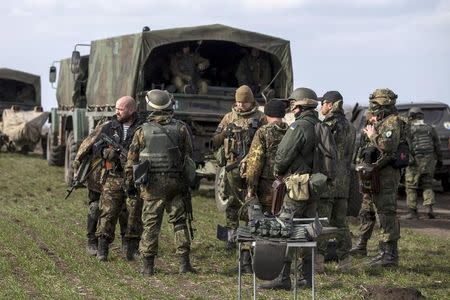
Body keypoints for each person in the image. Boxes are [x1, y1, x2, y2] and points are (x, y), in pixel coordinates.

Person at [125, 89, 196, 276]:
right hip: (175, 184)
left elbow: (131, 160)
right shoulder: (181, 128)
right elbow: (188, 156)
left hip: (151, 187)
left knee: (150, 225)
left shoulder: (142, 131)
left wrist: (130, 184)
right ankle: (184, 264)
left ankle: (148, 267)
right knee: (179, 222)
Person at [259, 87, 319, 290]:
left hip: (296, 186)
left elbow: (283, 155)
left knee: (286, 228)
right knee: (308, 230)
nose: (291, 107)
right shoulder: (320, 125)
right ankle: (306, 278)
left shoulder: (299, 127)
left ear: (299, 105)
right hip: (315, 185)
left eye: (293, 103)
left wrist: (277, 170)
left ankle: (283, 278)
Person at [212, 85, 266, 252]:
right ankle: (231, 238)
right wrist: (225, 134)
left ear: (251, 102)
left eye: (244, 102)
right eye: (238, 102)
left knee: (252, 203)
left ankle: (249, 238)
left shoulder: (261, 118)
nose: (241, 105)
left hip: (253, 168)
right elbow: (214, 141)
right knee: (232, 204)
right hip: (232, 167)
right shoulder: (229, 117)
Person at [355, 88, 403, 267]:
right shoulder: (382, 120)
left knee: (386, 213)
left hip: (387, 174)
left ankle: (389, 255)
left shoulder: (392, 121)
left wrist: (372, 134)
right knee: (370, 209)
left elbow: (388, 147)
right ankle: (382, 252)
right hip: (375, 173)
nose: (372, 107)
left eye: (375, 103)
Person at [94, 96, 144, 262]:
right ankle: (102, 249)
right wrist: (105, 153)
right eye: (116, 108)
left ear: (131, 110)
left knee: (134, 214)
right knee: (107, 213)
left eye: (120, 109)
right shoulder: (109, 127)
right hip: (113, 177)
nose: (117, 112)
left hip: (134, 179)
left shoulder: (142, 128)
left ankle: (132, 249)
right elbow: (97, 146)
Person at [72, 121, 129, 257]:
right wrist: (77, 165)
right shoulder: (106, 127)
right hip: (98, 174)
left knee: (124, 208)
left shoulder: (133, 128)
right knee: (95, 205)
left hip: (119, 176)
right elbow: (86, 145)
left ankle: (126, 243)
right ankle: (92, 241)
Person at [316, 91, 355, 272]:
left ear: (330, 105)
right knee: (341, 223)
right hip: (344, 183)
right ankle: (345, 262)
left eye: (323, 103)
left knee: (322, 223)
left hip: (327, 182)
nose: (321, 106)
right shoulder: (350, 126)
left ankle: (318, 263)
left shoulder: (326, 125)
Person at [405, 107, 442, 219]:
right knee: (427, 185)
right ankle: (429, 209)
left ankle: (413, 212)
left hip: (414, 161)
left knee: (411, 187)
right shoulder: (430, 128)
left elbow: (406, 146)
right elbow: (437, 146)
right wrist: (440, 159)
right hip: (429, 161)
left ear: (411, 116)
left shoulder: (408, 129)